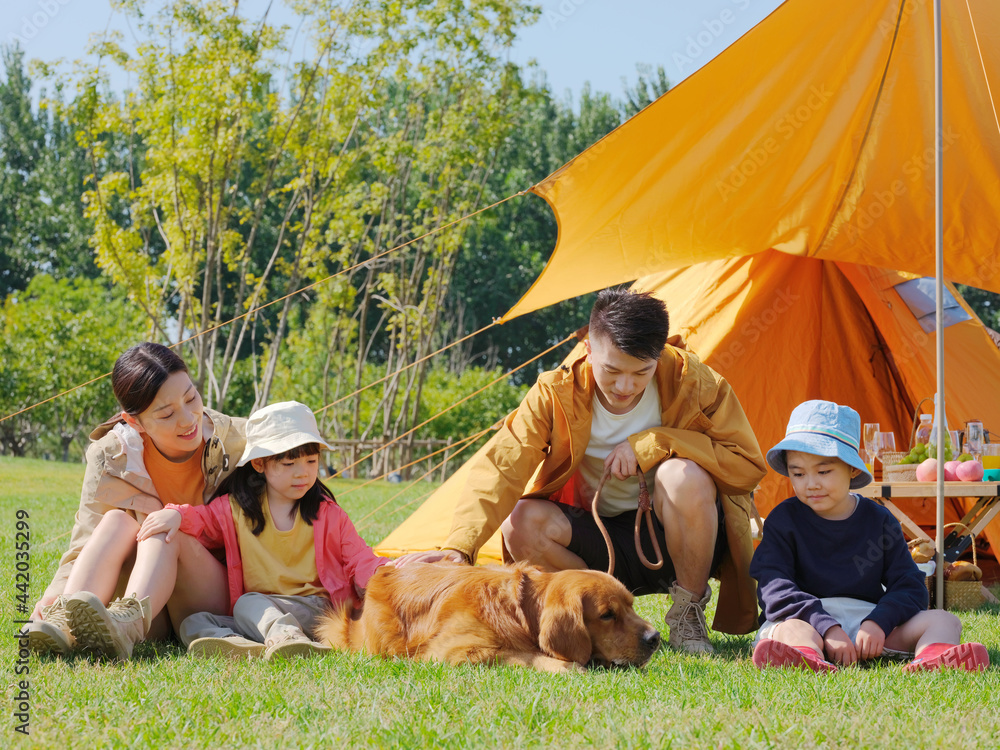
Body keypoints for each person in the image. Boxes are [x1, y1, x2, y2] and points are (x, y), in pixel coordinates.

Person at [394, 288, 767, 653]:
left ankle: (687, 614)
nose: (626, 386)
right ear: (588, 348)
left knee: (681, 476)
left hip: (675, 538)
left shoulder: (695, 381)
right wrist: (460, 547)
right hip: (596, 541)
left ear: (660, 354)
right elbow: (502, 467)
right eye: (613, 370)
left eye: (642, 372)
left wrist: (655, 444)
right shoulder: (554, 392)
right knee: (522, 521)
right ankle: (587, 616)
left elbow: (747, 464)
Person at [64, 400, 388, 660]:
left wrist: (391, 573)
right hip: (256, 615)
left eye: (311, 462)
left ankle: (288, 638)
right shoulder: (237, 508)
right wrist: (176, 516)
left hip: (311, 608)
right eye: (288, 464)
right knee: (194, 622)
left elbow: (360, 560)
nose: (302, 474)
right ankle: (245, 645)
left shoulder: (327, 515)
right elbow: (202, 520)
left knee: (248, 602)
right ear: (260, 464)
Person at [25, 343, 246, 655]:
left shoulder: (238, 442)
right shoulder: (111, 456)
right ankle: (64, 621)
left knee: (167, 529)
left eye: (191, 397)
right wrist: (53, 594)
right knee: (116, 520)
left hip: (205, 601)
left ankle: (123, 627)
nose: (187, 419)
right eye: (167, 414)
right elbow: (85, 541)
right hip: (145, 600)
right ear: (135, 421)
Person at [750, 400, 990, 673]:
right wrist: (826, 628)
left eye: (824, 471)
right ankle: (808, 657)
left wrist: (878, 622)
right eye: (798, 473)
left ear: (853, 469)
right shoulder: (784, 519)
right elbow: (775, 588)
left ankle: (931, 659)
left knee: (945, 621)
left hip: (866, 620)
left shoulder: (879, 520)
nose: (811, 483)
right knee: (791, 630)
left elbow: (910, 585)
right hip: (805, 619)